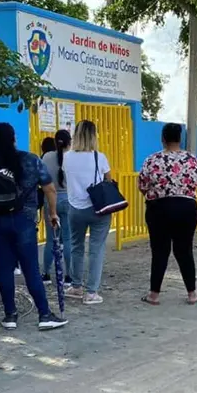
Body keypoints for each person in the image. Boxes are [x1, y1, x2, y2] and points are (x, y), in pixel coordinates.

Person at [0, 122, 68, 331]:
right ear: (13, 138)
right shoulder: (30, 159)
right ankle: (44, 315)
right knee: (31, 270)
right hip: (23, 220)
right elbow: (50, 189)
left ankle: (10, 316)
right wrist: (53, 213)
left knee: (5, 269)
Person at [138, 123, 197, 306]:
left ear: (163, 138)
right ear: (179, 138)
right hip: (187, 208)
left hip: (159, 208)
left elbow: (142, 185)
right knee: (185, 250)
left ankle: (154, 294)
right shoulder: (191, 159)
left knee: (159, 251)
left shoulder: (152, 159)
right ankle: (192, 293)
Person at [61, 121, 112, 305]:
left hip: (75, 208)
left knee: (76, 246)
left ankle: (76, 286)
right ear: (94, 135)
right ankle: (91, 292)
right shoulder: (100, 157)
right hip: (99, 209)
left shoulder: (67, 157)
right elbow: (108, 180)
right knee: (96, 249)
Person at [41, 129, 75, 287]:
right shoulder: (73, 157)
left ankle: (46, 274)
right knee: (68, 239)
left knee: (50, 240)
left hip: (50, 200)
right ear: (69, 142)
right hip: (68, 201)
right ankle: (68, 276)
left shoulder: (46, 157)